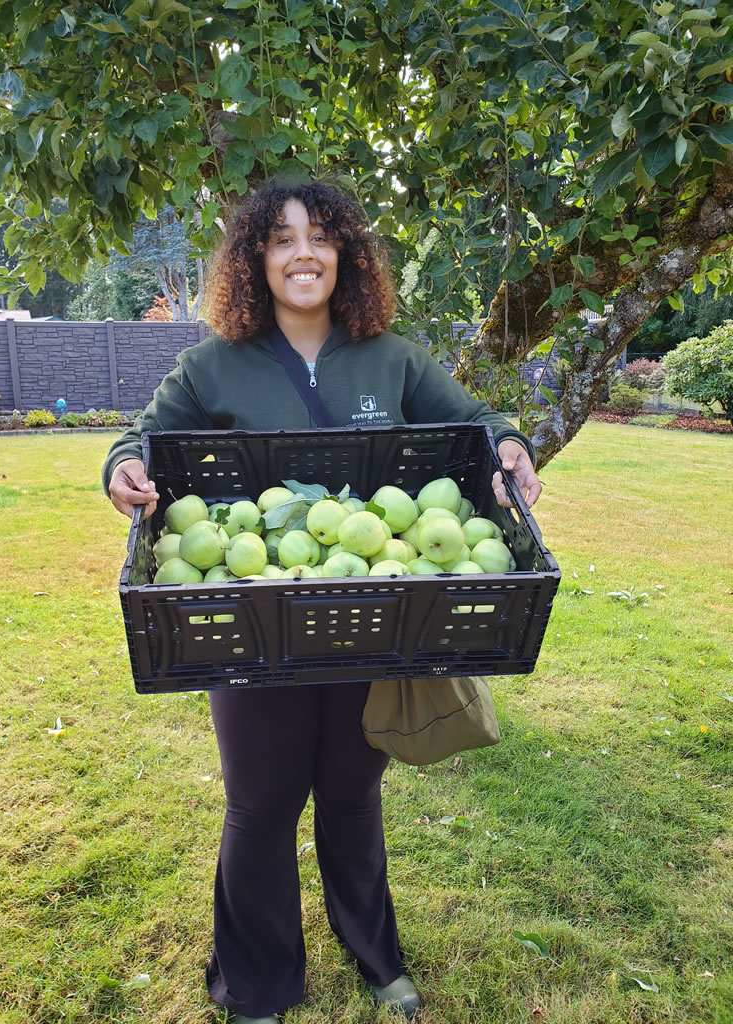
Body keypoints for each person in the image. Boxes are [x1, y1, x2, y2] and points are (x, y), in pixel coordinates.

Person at [103, 179, 542, 1024]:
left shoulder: (392, 357)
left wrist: (511, 446)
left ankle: (374, 951)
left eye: (320, 237)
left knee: (351, 795)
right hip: (248, 622)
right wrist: (122, 468)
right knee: (261, 807)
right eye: (281, 240)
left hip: (370, 620)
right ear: (254, 260)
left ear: (346, 253)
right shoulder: (212, 364)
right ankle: (258, 982)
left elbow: (477, 422)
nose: (303, 254)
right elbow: (142, 437)